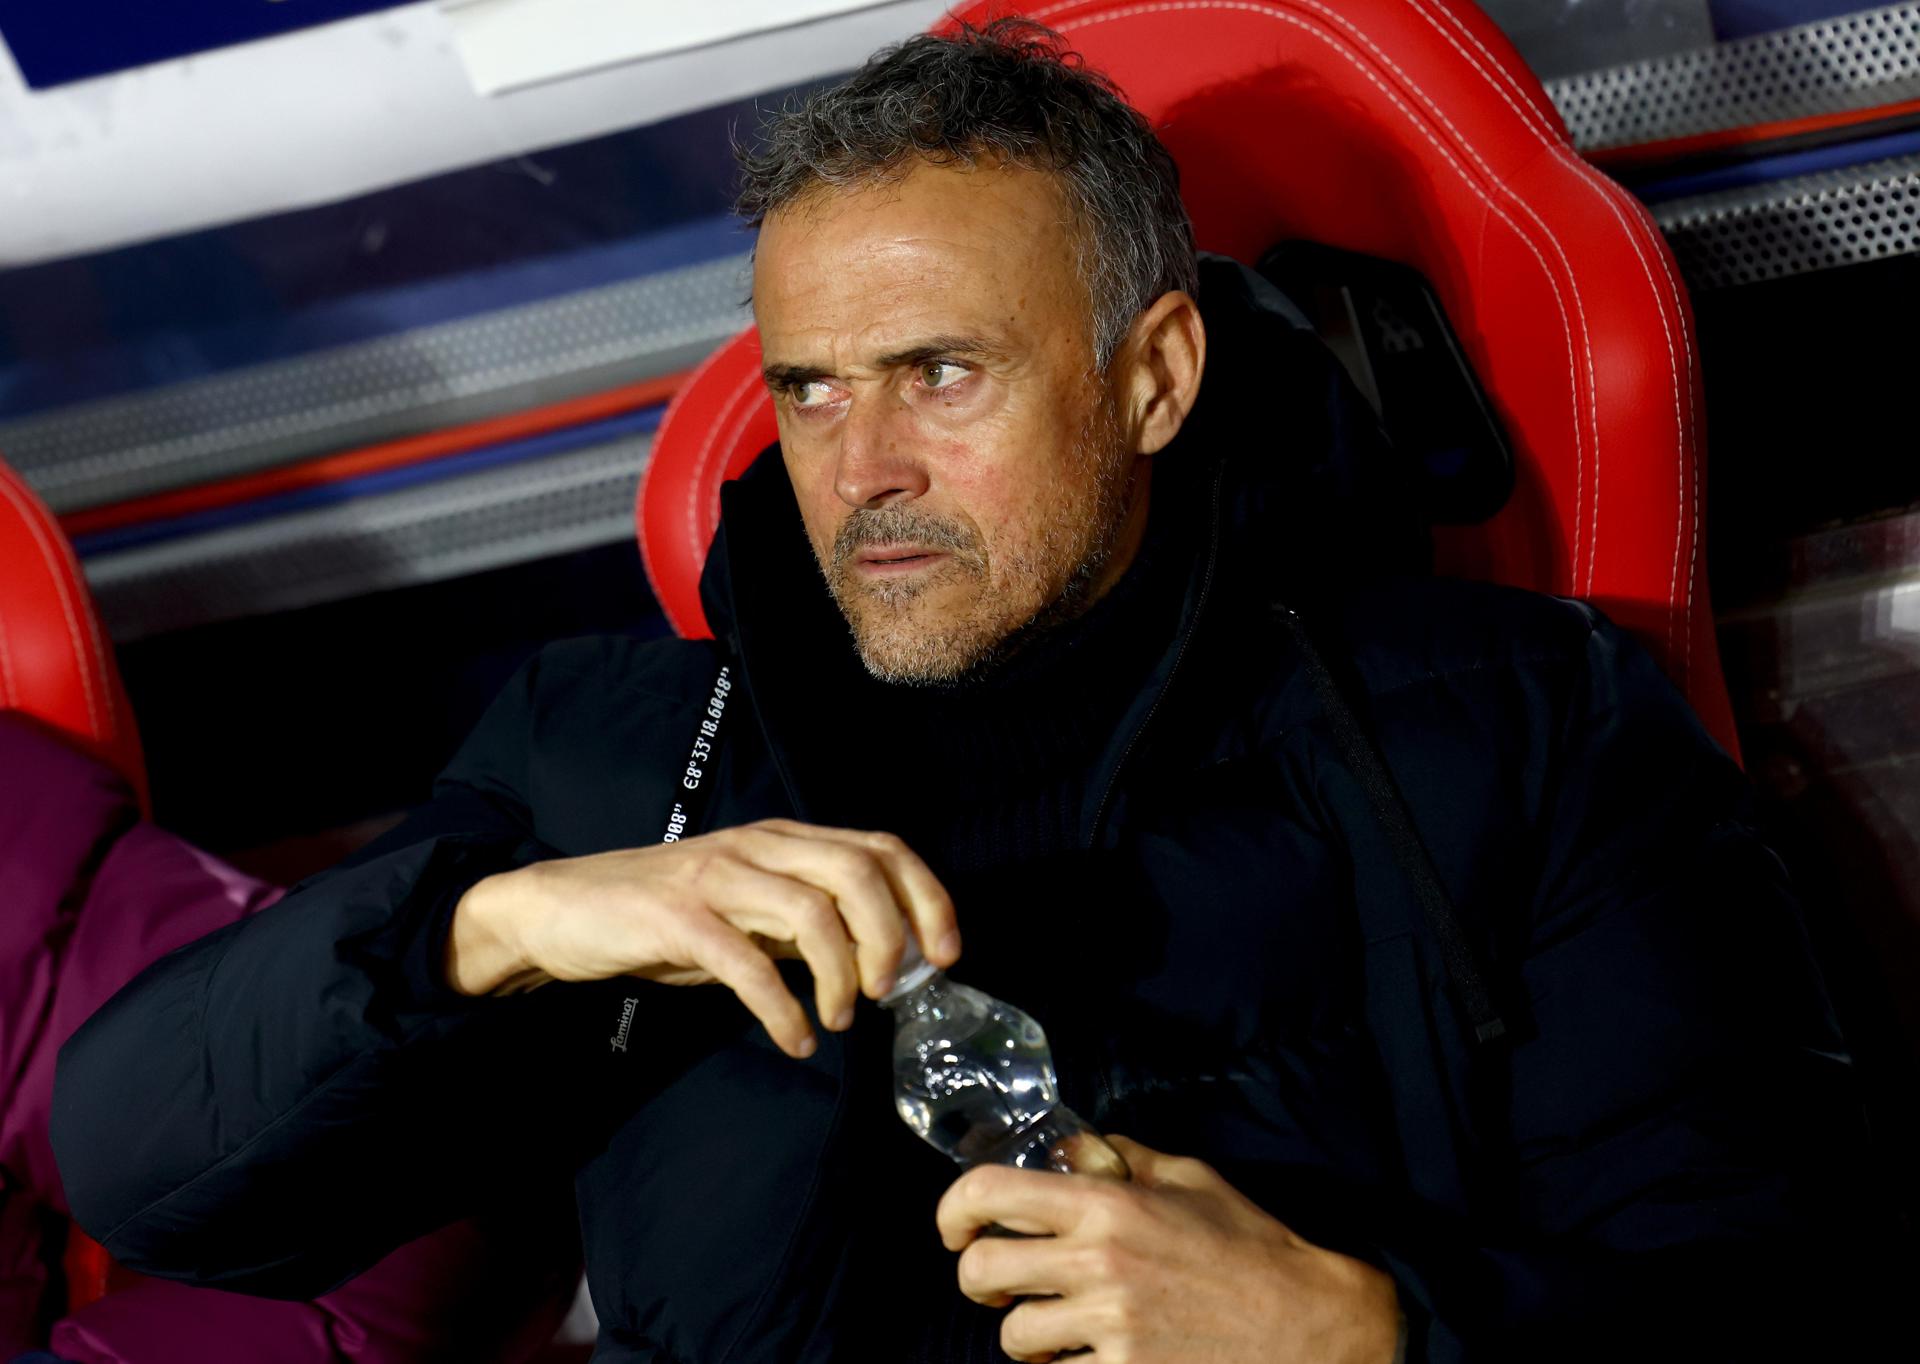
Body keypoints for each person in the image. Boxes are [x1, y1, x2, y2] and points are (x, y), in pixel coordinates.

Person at [51, 20, 1895, 1364]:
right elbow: (143, 1175)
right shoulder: (613, 752)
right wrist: (503, 928)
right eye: (810, 389)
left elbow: (1786, 1301)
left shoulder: (1523, 727)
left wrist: (1361, 1332)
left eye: (940, 374)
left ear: (1155, 377)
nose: (862, 470)